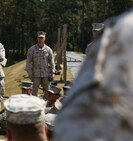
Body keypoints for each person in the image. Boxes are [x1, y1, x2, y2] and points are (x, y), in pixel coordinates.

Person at [54, 11, 133, 141]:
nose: (96, 33)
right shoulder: (93, 46)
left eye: (98, 31)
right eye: (94, 31)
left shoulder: (110, 39)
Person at [26, 31, 55, 98]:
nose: (40, 39)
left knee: (48, 91)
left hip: (46, 74)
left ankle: (47, 105)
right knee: (34, 91)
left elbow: (52, 62)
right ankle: (34, 106)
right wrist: (30, 73)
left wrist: (53, 73)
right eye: (39, 38)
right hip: (35, 74)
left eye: (42, 38)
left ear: (44, 39)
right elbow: (28, 62)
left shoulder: (48, 49)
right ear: (37, 38)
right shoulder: (32, 49)